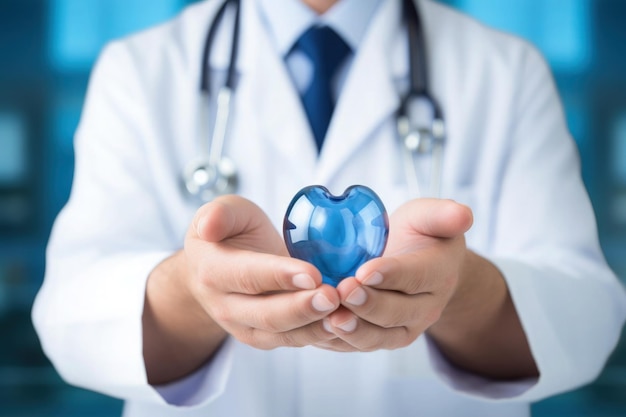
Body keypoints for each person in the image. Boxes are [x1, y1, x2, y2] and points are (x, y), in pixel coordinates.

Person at [32, 0, 626, 416]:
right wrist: (191, 291)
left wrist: (466, 293)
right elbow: (71, 317)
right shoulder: (140, 68)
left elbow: (586, 316)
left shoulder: (505, 70)